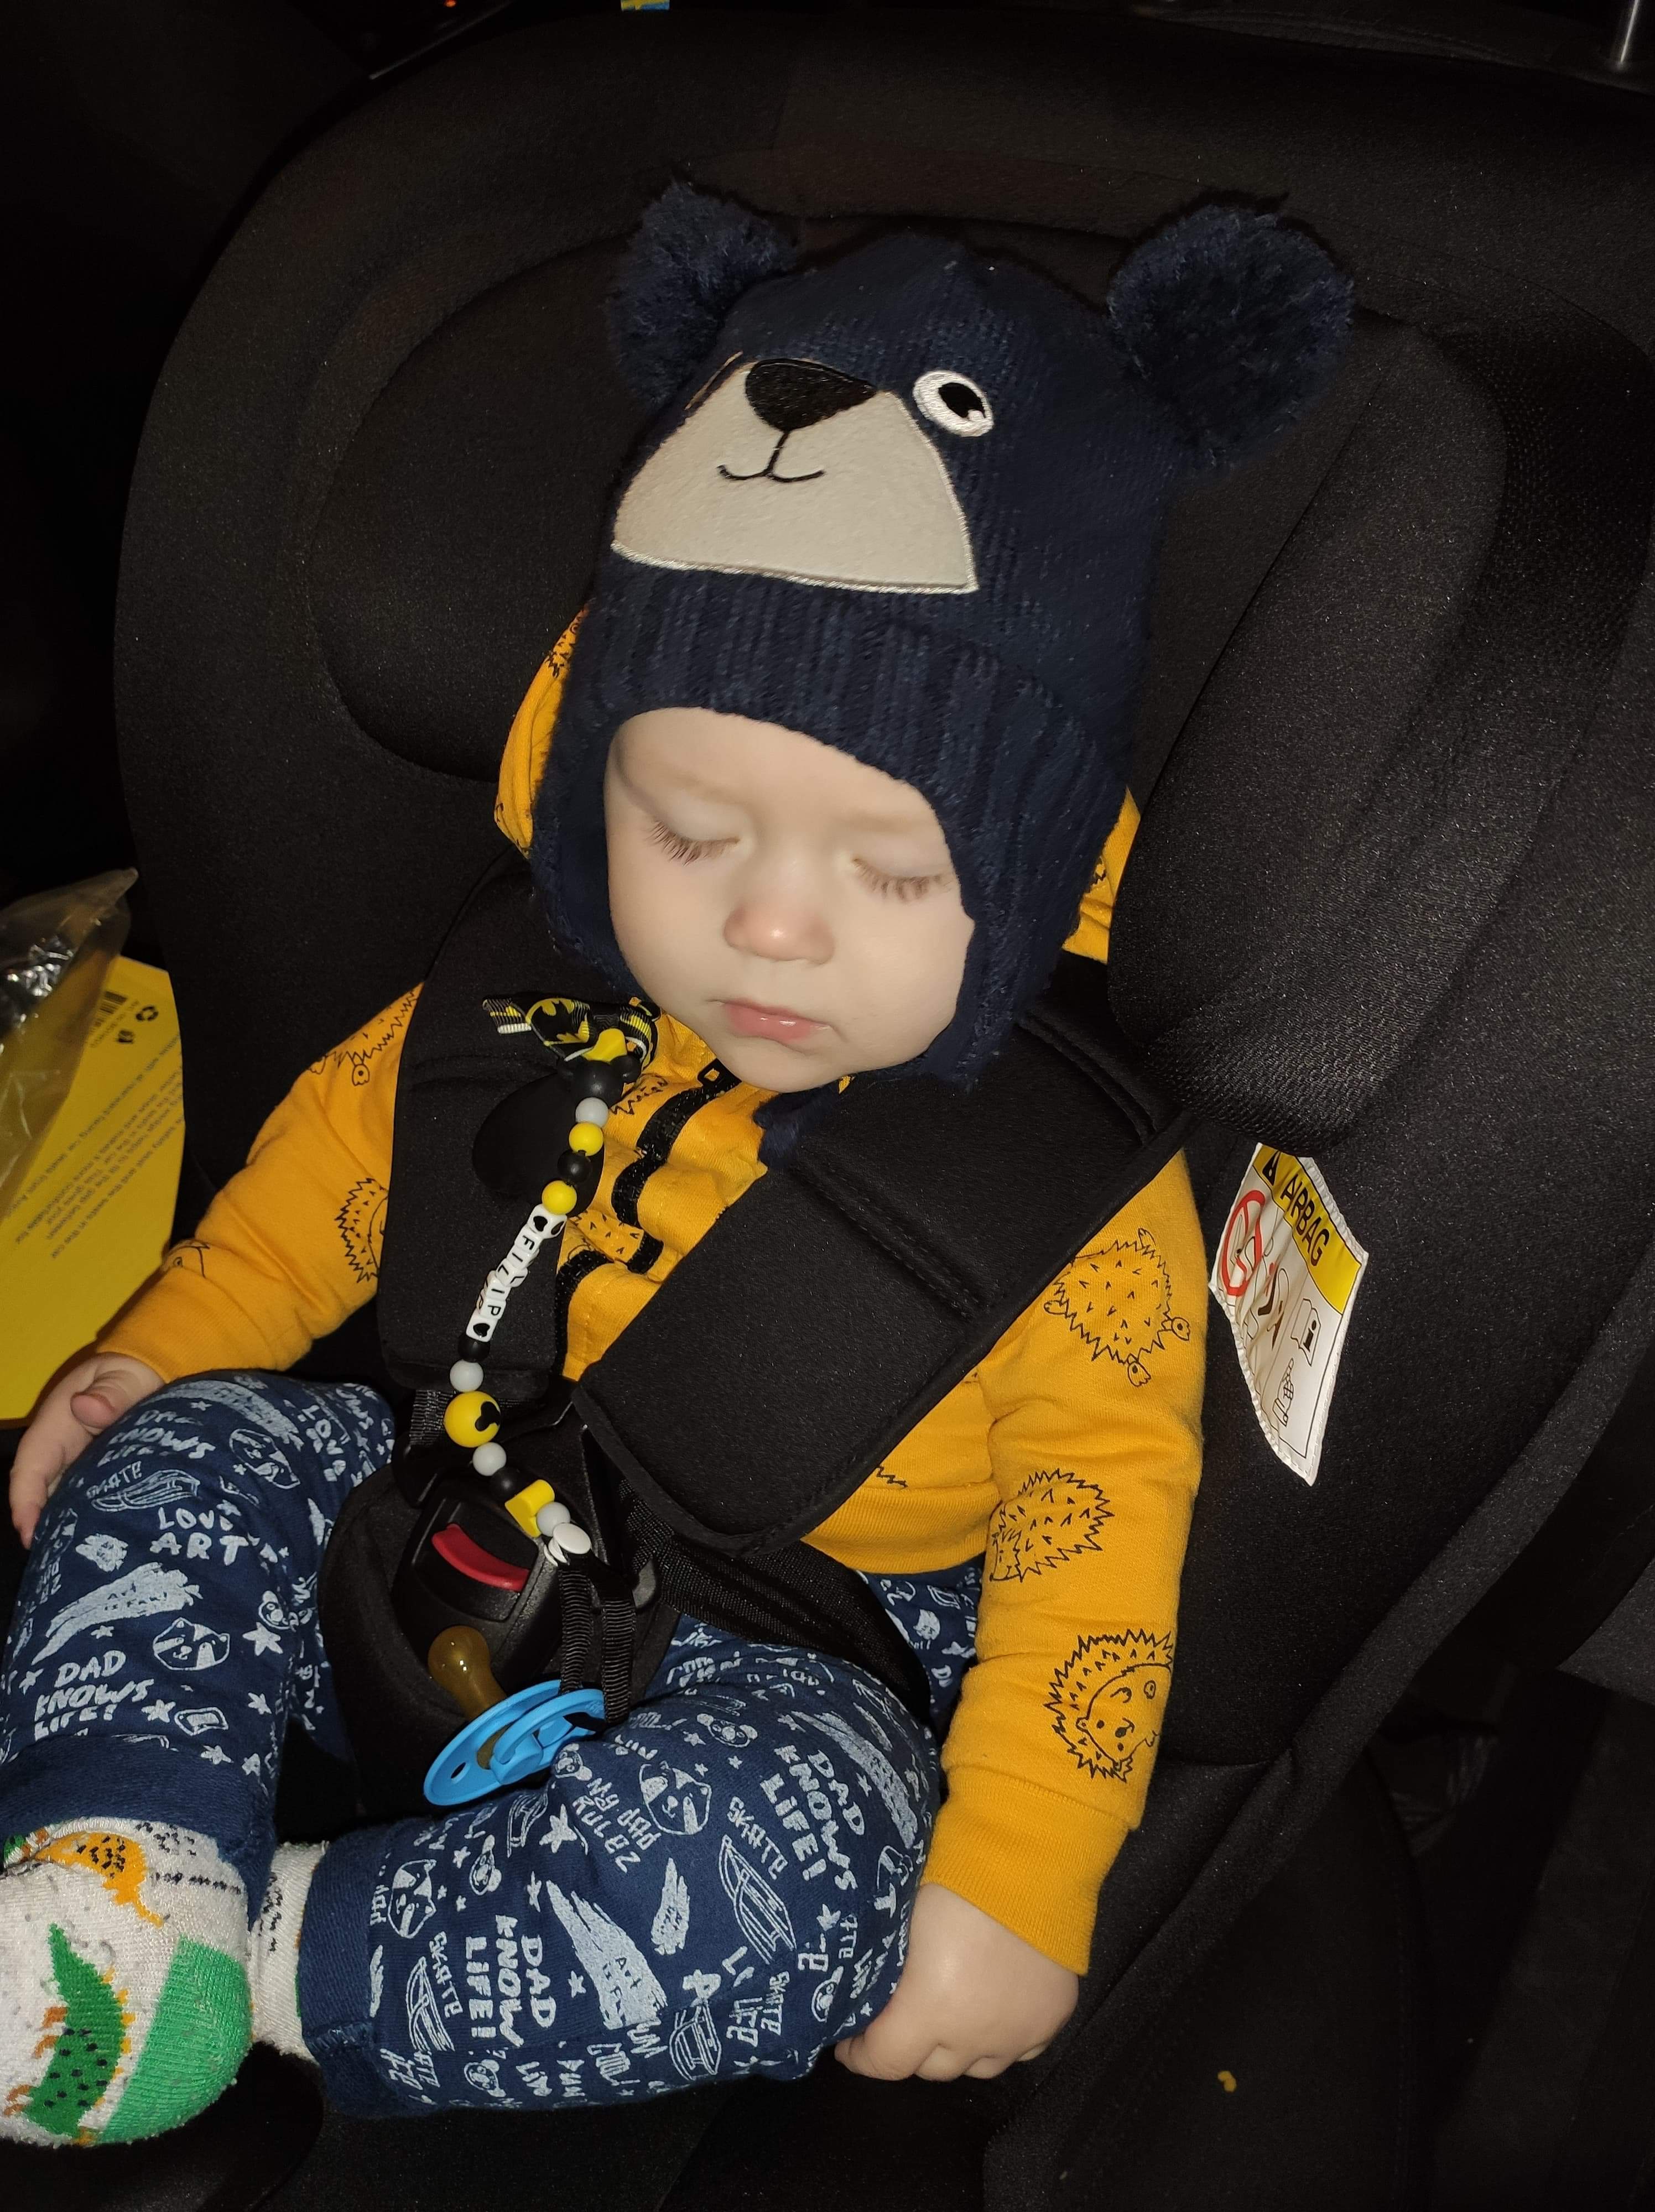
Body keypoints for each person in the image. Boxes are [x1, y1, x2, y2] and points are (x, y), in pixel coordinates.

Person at [0, 188, 1351, 2145]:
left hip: (792, 1656)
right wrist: (169, 1348)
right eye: (689, 834)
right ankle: (118, 1864)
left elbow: (1098, 1539)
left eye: (891, 869)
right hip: (444, 1510)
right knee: (183, 1446)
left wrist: (1016, 1884)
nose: (769, 928)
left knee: (795, 1879)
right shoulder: (524, 1000)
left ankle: (281, 1955)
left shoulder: (1059, 1198)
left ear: (1043, 870)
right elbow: (331, 1190)